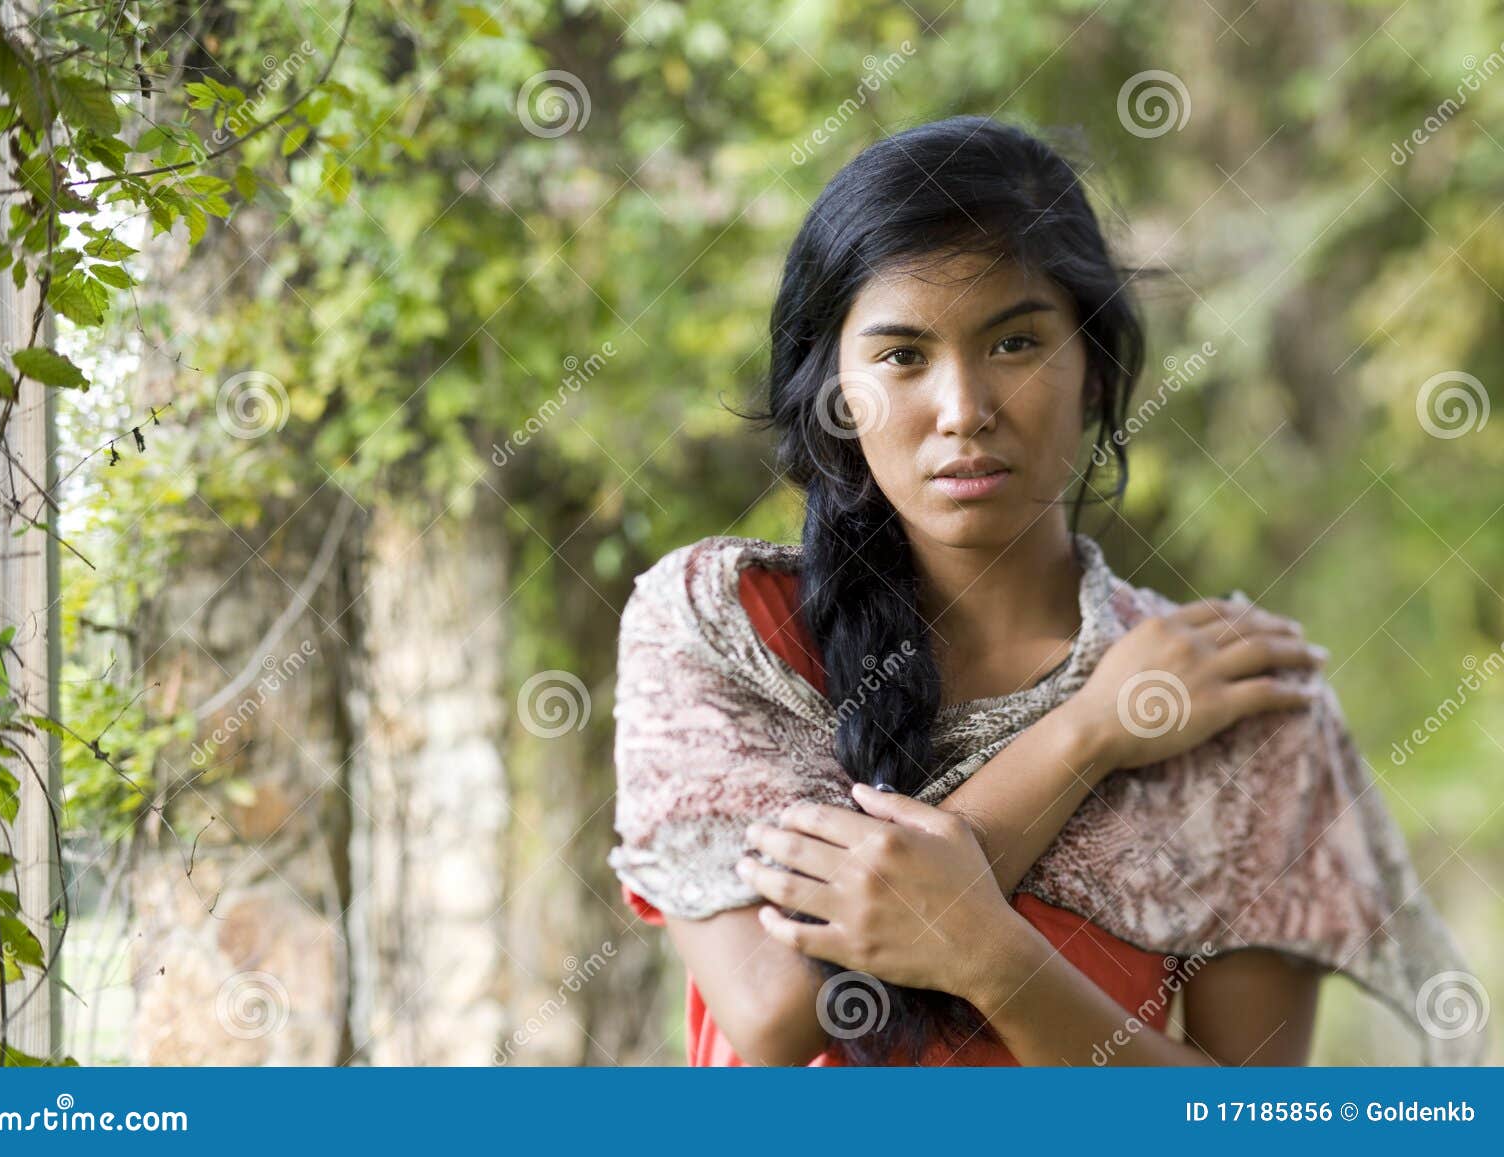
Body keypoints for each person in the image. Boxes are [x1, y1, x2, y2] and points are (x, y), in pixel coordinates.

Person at [608, 116, 1474, 1067]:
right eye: (903, 356)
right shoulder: (721, 629)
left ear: (1094, 371)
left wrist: (992, 957)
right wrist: (1085, 735)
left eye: (1015, 343)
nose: (964, 409)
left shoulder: (1236, 705)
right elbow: (776, 1011)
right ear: (837, 395)